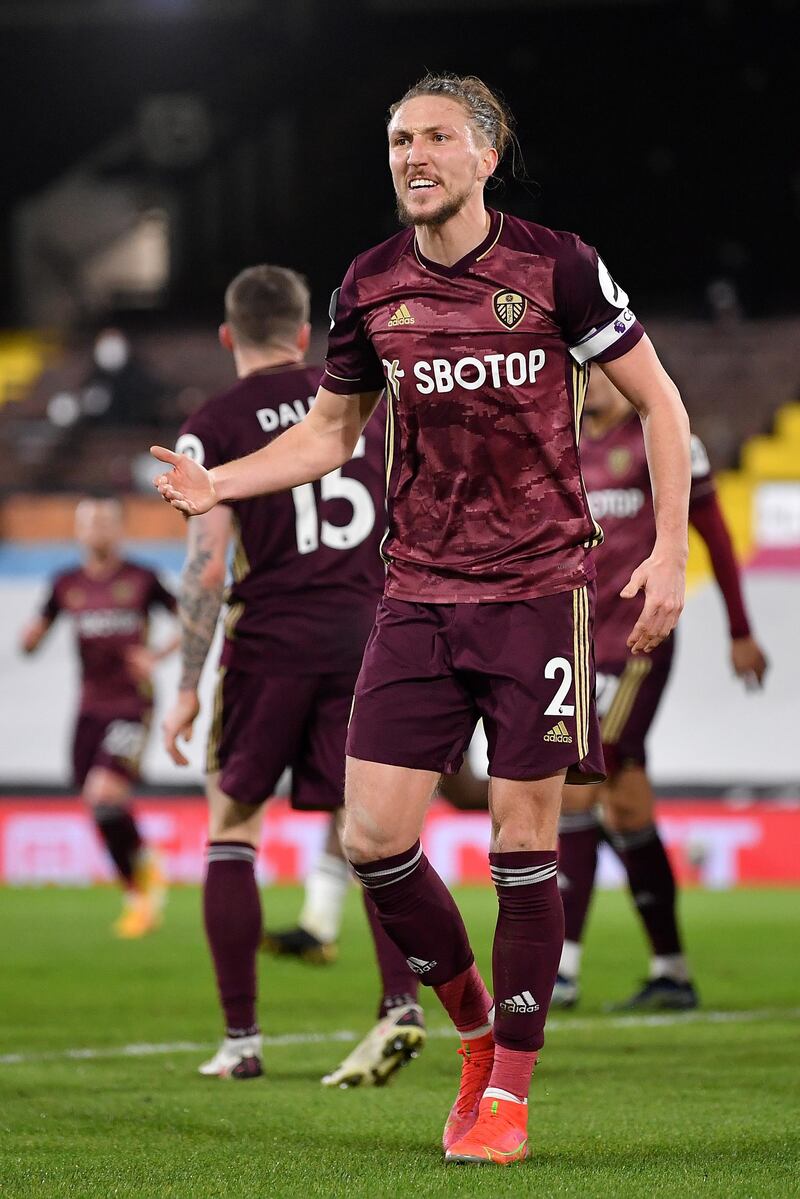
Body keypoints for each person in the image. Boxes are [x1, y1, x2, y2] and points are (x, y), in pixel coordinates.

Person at [152, 73, 692, 1166]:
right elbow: (327, 434)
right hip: (415, 597)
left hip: (539, 592)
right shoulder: (369, 283)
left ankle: (509, 1100)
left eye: (437, 137)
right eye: (400, 139)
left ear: (485, 154)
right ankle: (475, 1033)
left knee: (520, 840)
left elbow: (660, 401)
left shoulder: (557, 264)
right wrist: (223, 487)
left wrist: (672, 552)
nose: (413, 155)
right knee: (372, 837)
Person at [161, 264, 425, 1085]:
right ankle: (400, 1006)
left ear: (227, 336)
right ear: (306, 333)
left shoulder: (215, 422)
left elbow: (207, 568)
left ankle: (241, 1041)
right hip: (366, 636)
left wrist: (186, 683)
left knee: (234, 824)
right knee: (377, 832)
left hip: (270, 643)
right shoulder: (355, 402)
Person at [554, 370, 768, 1010]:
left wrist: (739, 628)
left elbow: (716, 536)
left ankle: (561, 969)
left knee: (578, 779)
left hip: (637, 642)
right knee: (627, 805)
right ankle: (671, 971)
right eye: (580, 375)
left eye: (601, 375)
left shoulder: (665, 438)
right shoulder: (557, 441)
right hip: (572, 642)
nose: (591, 388)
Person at [20, 496, 177, 937]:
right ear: (79, 531)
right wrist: (28, 640)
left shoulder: (142, 578)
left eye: (106, 522)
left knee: (102, 792)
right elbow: (35, 637)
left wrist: (156, 656)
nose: (98, 530)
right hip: (88, 708)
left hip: (132, 704)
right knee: (99, 804)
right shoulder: (65, 582)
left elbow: (190, 620)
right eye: (90, 523)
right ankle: (140, 874)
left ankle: (140, 888)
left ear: (119, 528)